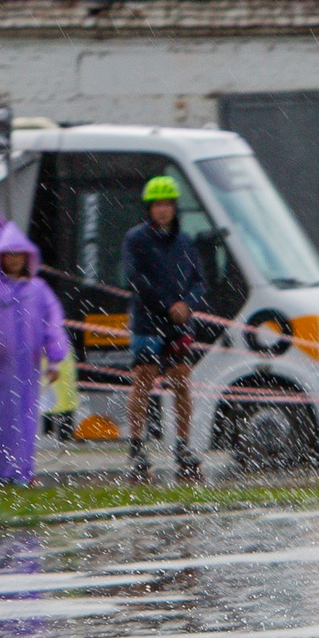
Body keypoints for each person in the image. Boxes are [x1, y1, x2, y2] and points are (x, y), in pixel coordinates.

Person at [0, 225, 67, 485]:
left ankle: (22, 471)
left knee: (25, 419)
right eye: (9, 254)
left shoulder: (39, 290)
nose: (15, 259)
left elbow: (53, 323)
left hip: (26, 368)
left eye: (19, 253)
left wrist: (54, 358)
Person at [122, 174, 208, 481]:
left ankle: (183, 446)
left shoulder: (185, 240)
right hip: (148, 320)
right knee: (143, 381)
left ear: (175, 207)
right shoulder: (136, 239)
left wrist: (188, 304)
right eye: (157, 204)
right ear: (149, 208)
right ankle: (136, 446)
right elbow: (135, 278)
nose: (162, 210)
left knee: (182, 380)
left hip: (179, 322)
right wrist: (166, 305)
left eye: (167, 204)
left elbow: (199, 279)